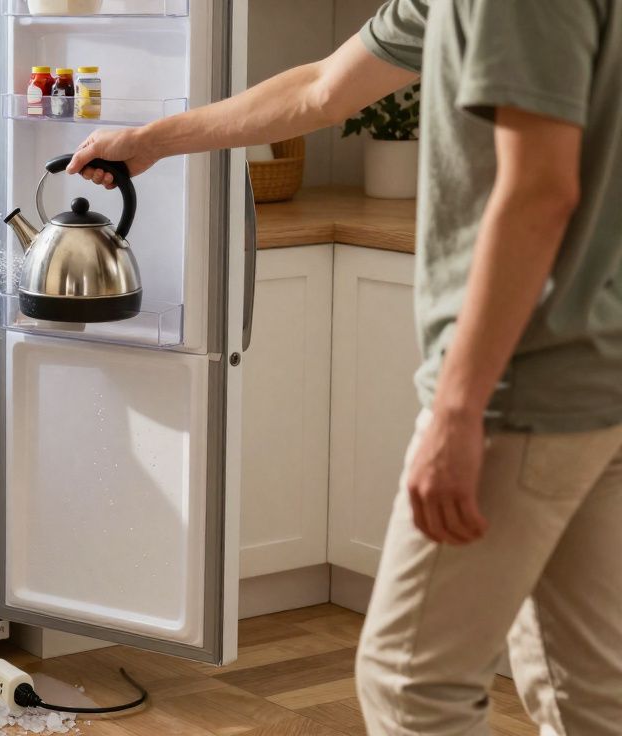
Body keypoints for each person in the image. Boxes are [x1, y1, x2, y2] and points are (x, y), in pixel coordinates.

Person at [68, 2, 622, 734]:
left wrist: (460, 410)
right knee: (585, 691)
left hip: (529, 383)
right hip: (598, 368)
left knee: (411, 685)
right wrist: (153, 140)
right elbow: (325, 88)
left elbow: (538, 192)